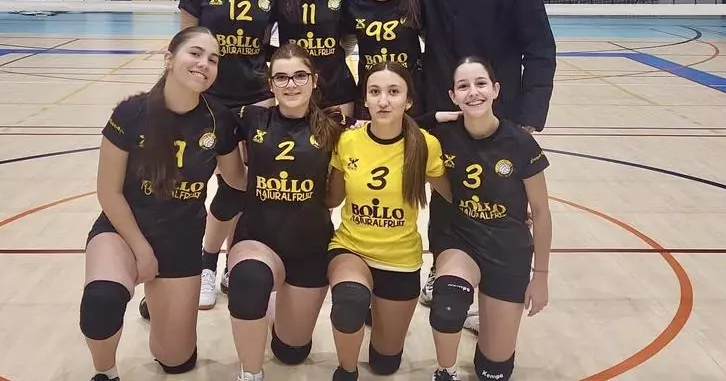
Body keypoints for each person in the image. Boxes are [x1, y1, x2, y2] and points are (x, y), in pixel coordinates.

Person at [404, 0, 556, 311]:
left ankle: (497, 279)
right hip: (443, 108)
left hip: (496, 111)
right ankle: (444, 269)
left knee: (499, 199)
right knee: (444, 191)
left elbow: (540, 48)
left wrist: (530, 115)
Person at [79, 27, 246, 381]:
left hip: (181, 239)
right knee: (102, 300)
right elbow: (108, 192)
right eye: (195, 53)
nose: (204, 64)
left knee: (176, 360)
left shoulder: (218, 120)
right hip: (124, 230)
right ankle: (105, 372)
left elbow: (238, 180)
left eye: (213, 59)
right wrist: (142, 251)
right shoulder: (131, 112)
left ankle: (159, 304)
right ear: (169, 58)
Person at [172, 0, 278, 313]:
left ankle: (234, 263)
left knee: (247, 187)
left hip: (255, 101)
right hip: (210, 102)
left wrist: (271, 96)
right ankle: (205, 262)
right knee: (222, 185)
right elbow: (184, 45)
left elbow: (269, 48)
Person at [225, 43, 350, 381]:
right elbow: (202, 118)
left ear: (314, 80)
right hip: (258, 238)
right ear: (271, 84)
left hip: (309, 246)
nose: (291, 84)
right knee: (249, 284)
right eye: (281, 77)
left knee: (291, 352)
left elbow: (334, 199)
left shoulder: (335, 124)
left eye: (299, 76)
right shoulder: (252, 118)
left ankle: (274, 304)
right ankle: (251, 373)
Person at [425, 57, 552, 381]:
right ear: (453, 96)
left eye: (480, 84)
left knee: (493, 372)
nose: (473, 92)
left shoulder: (520, 143)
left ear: (495, 89)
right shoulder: (441, 137)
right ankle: (445, 371)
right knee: (448, 305)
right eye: (463, 86)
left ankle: (489, 335)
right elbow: (400, 122)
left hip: (507, 250)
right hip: (459, 240)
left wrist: (540, 276)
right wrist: (435, 116)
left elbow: (540, 212)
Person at [324, 62, 452, 381]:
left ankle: (376, 314)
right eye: (375, 92)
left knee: (385, 364)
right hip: (351, 248)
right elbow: (332, 200)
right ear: (365, 99)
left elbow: (454, 197)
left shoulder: (425, 145)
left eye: (393, 92)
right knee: (350, 301)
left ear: (408, 101)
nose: (383, 101)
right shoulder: (348, 141)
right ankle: (346, 370)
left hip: (400, 259)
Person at [344, 0, 423, 120]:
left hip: (409, 97)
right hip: (370, 97)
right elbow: (346, 47)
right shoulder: (354, 6)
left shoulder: (414, 3)